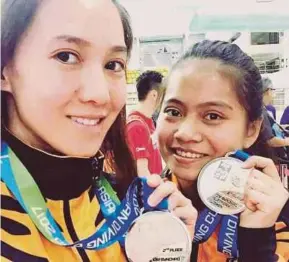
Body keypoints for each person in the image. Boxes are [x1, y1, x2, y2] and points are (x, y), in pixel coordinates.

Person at [0, 1, 197, 261]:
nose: (100, 94)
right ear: (6, 70)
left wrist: (173, 251)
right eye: (66, 56)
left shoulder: (130, 206)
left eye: (113, 65)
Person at [156, 40, 289, 261]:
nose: (185, 133)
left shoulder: (278, 218)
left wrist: (255, 244)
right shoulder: (133, 208)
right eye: (173, 111)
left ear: (251, 129)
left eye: (212, 116)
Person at [126, 71, 163, 177]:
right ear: (154, 95)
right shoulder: (137, 127)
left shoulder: (148, 121)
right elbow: (142, 173)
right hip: (150, 191)